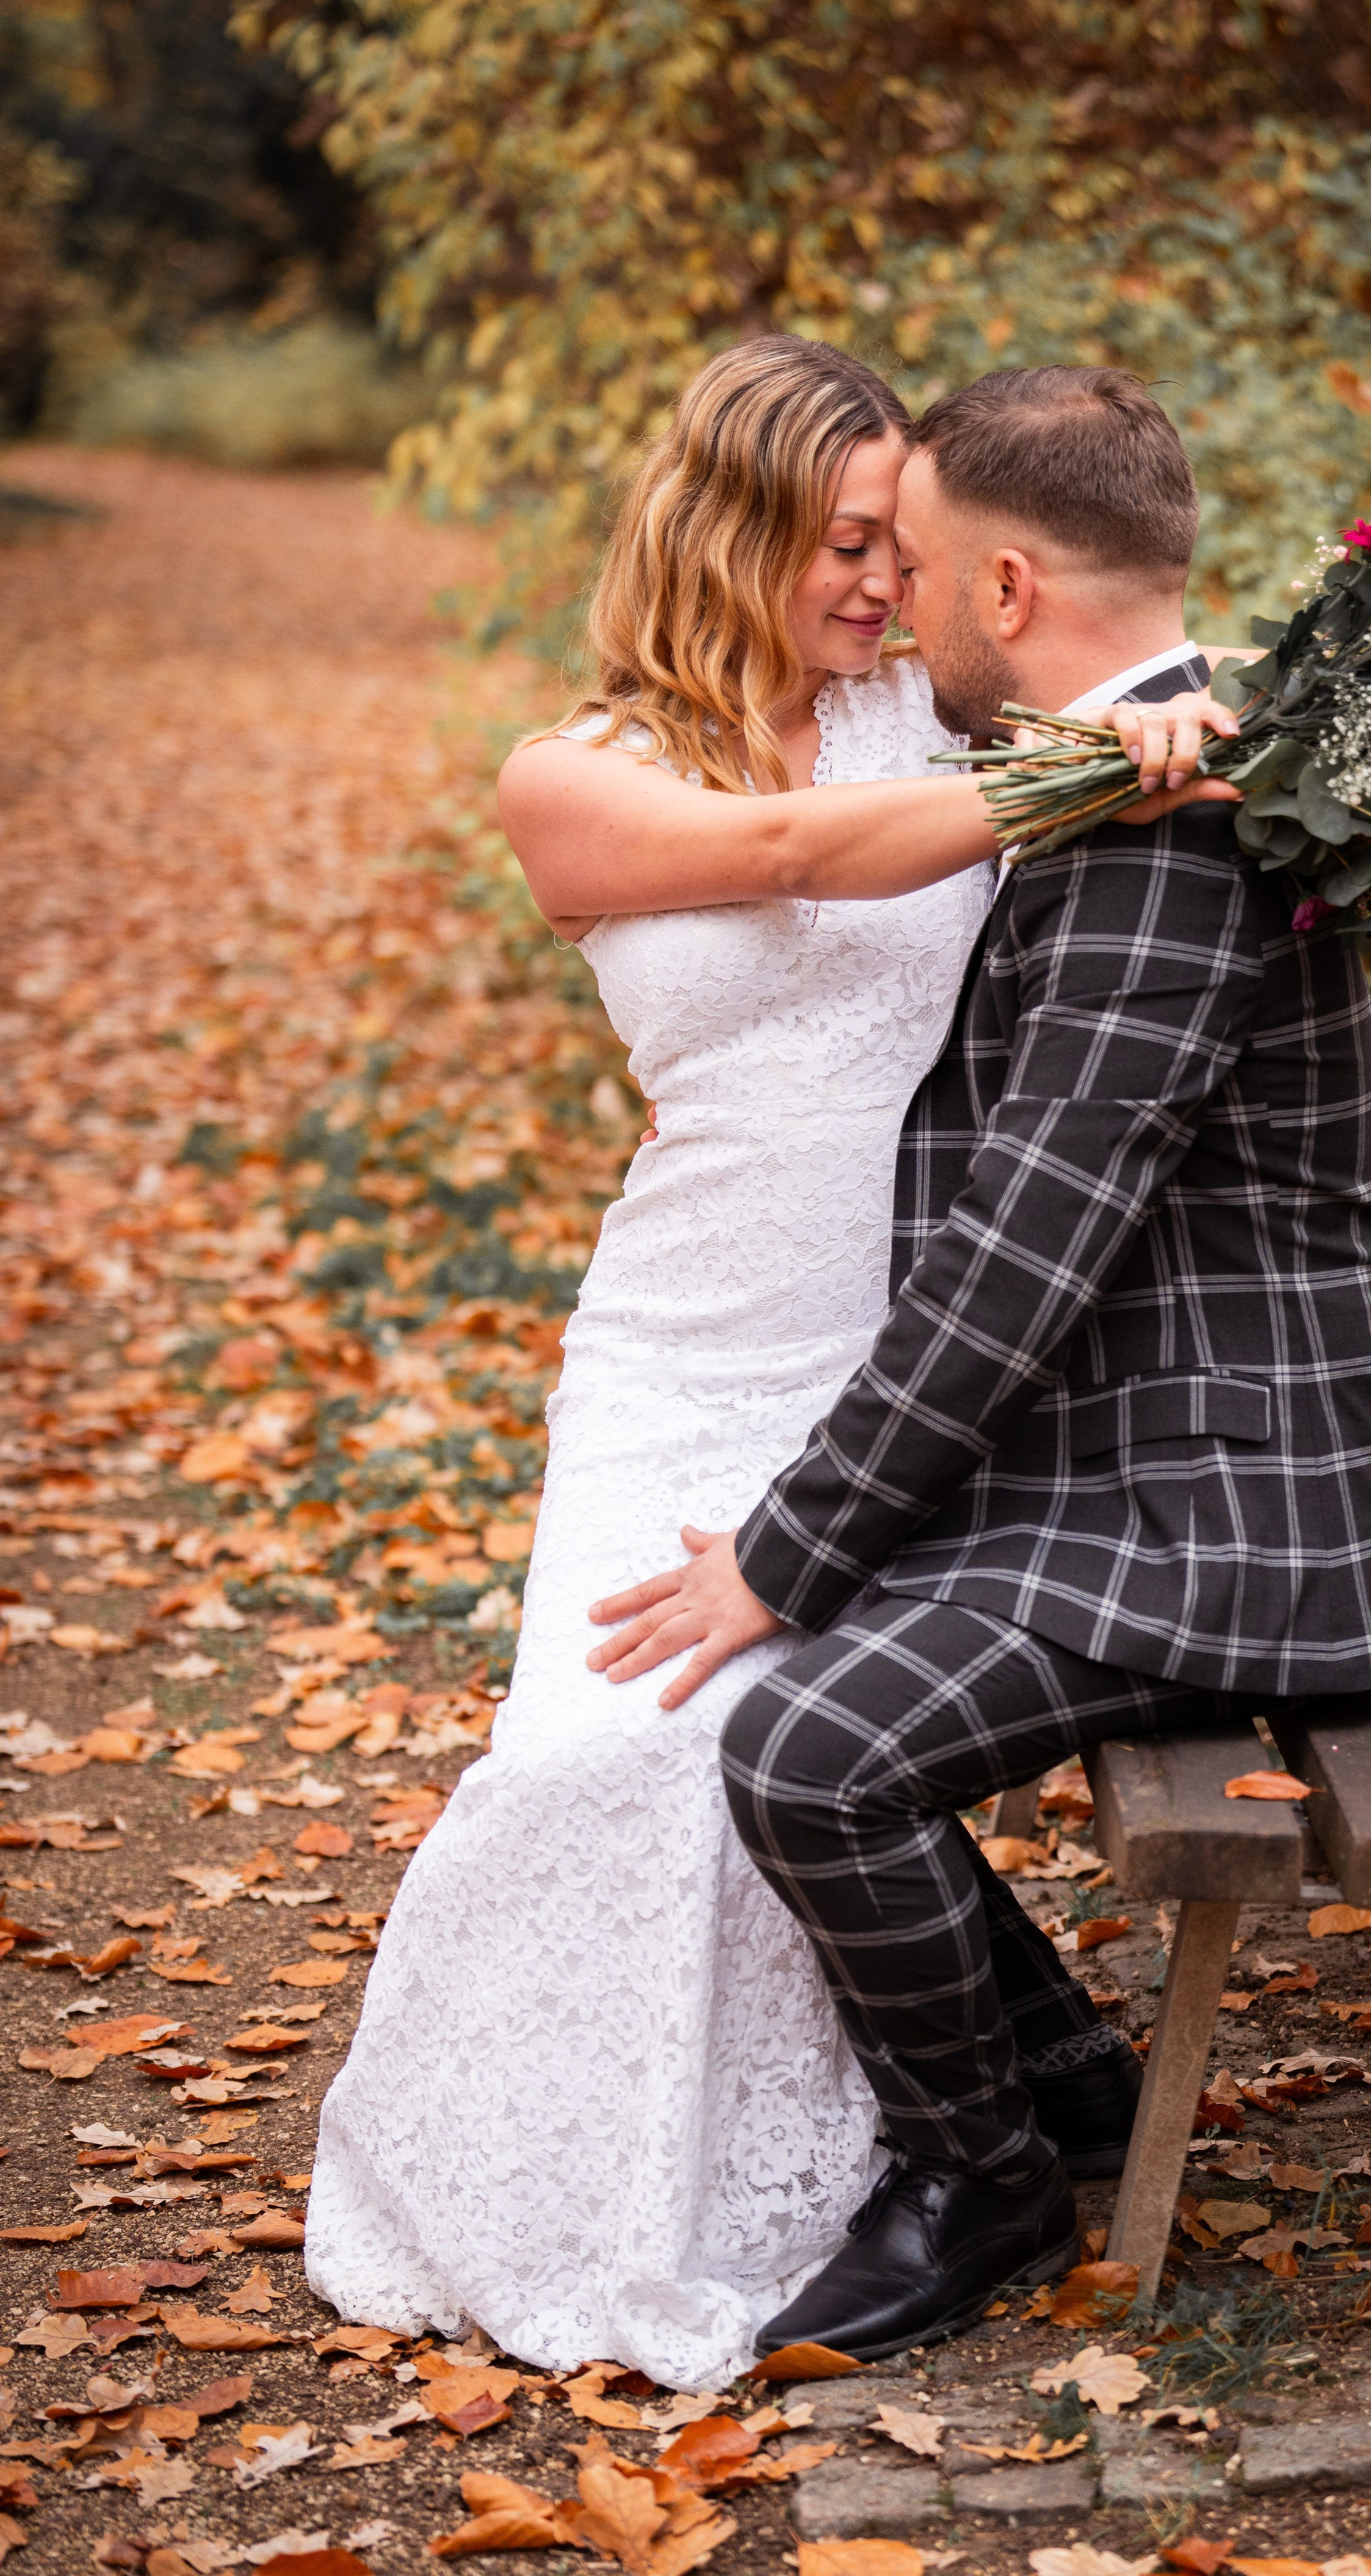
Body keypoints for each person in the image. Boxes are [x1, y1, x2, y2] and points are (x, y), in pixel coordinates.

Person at [301, 335, 1230, 2390]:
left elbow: (1111, 646)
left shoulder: (938, 705)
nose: (880, 588)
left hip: (900, 1361)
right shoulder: (582, 775)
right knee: (587, 1755)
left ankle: (969, 2123)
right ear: (720, 530)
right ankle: (776, 2138)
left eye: (895, 548)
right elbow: (799, 860)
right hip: (677, 1343)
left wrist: (1189, 723)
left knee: (731, 1757)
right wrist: (1080, 774)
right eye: (837, 547)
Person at [584, 364, 1371, 2364]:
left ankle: (983, 2178)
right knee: (809, 1699)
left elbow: (1024, 1249)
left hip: (1217, 1510)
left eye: (931, 566)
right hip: (1148, 1462)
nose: (905, 607)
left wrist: (793, 1547)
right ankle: (1070, 2091)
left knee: (800, 1742)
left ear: (1019, 583)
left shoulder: (1172, 833)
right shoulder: (1149, 772)